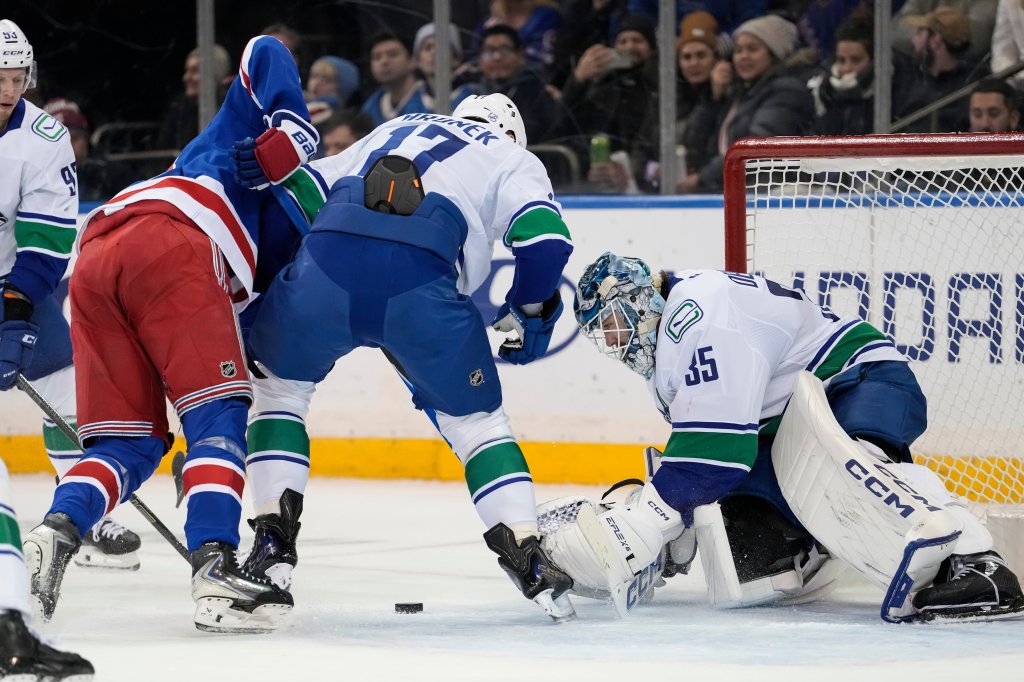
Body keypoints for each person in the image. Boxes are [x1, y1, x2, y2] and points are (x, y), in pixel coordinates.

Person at [237, 93, 577, 621]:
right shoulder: (512, 157)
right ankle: (528, 559)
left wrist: (270, 290)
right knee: (478, 427)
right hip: (424, 285)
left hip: (327, 262)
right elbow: (546, 243)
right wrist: (530, 309)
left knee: (278, 392)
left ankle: (272, 549)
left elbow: (299, 195)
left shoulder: (397, 126)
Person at [540, 251, 1024, 622]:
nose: (617, 344)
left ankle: (978, 562)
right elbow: (713, 464)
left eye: (616, 325)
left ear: (642, 298)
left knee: (850, 471)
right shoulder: (670, 349)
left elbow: (716, 453)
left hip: (855, 378)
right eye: (603, 336)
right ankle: (809, 542)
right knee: (731, 534)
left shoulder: (699, 312)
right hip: (789, 423)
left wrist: (643, 523)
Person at [22, 33, 319, 634]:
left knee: (126, 445)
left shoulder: (207, 162)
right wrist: (294, 135)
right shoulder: (300, 204)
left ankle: (57, 529)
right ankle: (213, 564)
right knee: (219, 416)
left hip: (100, 254)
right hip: (177, 244)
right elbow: (266, 49)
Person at [0, 18, 94, 680]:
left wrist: (12, 310)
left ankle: (74, 504)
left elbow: (44, 243)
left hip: (17, 290)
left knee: (67, 389)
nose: (6, 91)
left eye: (14, 79)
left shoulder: (41, 138)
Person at [681, 14, 814, 193]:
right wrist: (713, 99)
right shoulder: (740, 93)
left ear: (773, 53)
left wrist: (702, 178)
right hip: (733, 192)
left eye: (752, 49)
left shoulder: (786, 91)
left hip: (771, 197)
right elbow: (695, 145)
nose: (743, 56)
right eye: (738, 50)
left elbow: (755, 149)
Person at [474, 24, 558, 144]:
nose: (497, 57)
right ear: (480, 58)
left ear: (520, 55)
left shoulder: (536, 92)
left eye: (505, 50)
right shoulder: (473, 94)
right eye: (489, 51)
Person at [154, 42, 233, 151]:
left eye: (195, 71)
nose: (186, 77)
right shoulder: (179, 109)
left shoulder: (230, 108)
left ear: (217, 75)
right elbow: (163, 150)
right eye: (187, 71)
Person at [808, 14, 876, 135]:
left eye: (856, 60)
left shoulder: (893, 95)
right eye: (841, 60)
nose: (847, 68)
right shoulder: (822, 95)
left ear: (873, 61)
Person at [361, 32, 432, 126]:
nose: (384, 61)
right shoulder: (370, 107)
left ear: (412, 61)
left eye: (393, 54)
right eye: (377, 57)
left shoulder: (431, 99)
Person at [304, 55, 360, 126]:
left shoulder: (331, 116)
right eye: (314, 76)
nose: (317, 83)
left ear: (340, 88)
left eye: (327, 80)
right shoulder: (298, 101)